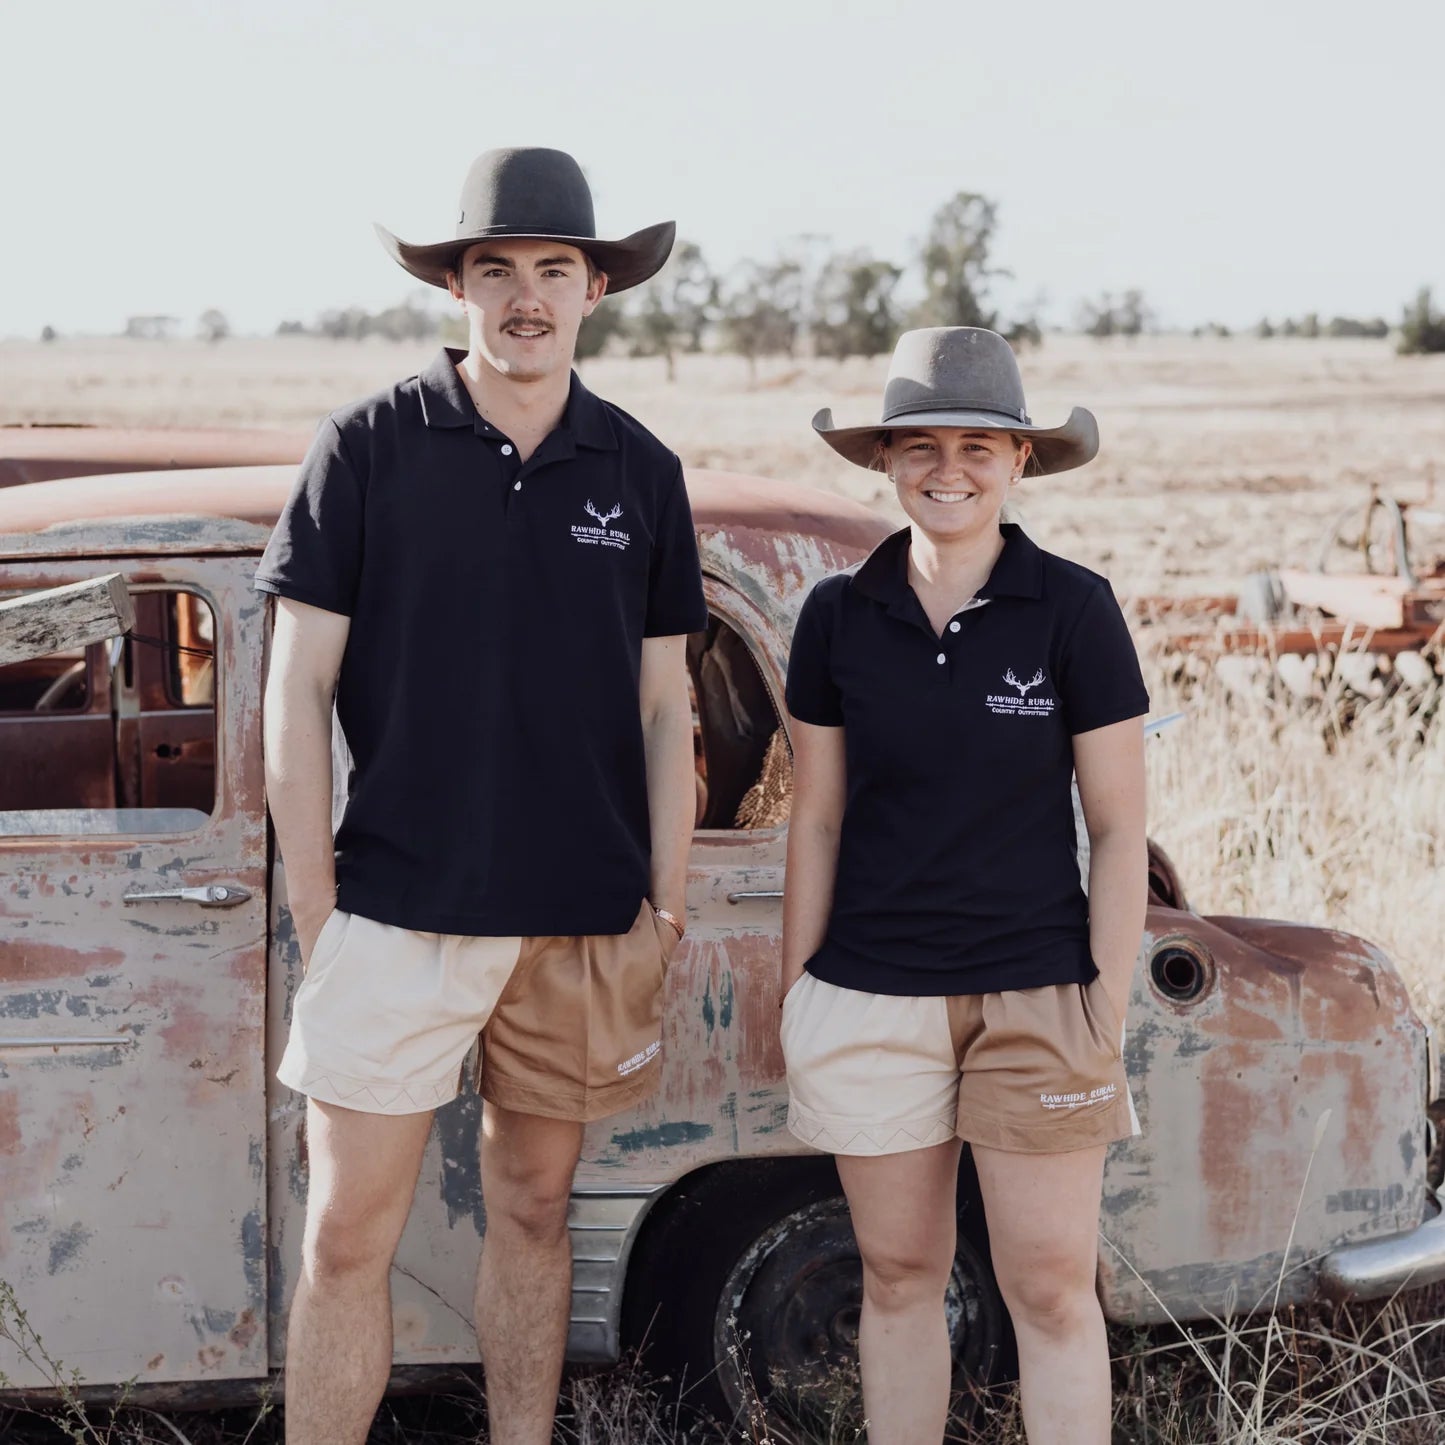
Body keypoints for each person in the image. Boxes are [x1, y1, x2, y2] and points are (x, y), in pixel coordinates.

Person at [254, 147, 706, 1445]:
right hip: (395, 906)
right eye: (493, 268)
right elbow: (296, 690)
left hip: (577, 918)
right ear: (454, 284)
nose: (523, 296)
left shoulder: (639, 468)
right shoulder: (367, 446)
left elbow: (668, 702)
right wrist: (316, 905)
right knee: (347, 1234)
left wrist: (663, 900)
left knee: (534, 1210)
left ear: (595, 290)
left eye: (551, 270)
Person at [781, 327, 1148, 1444]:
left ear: (1019, 459)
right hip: (870, 995)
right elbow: (818, 816)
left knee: (1047, 1286)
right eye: (921, 444)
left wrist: (1102, 1004)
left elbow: (1119, 825)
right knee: (896, 1274)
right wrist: (800, 986)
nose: (948, 468)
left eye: (977, 445)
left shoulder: (1074, 610)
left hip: (1035, 993)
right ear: (885, 460)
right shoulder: (836, 616)